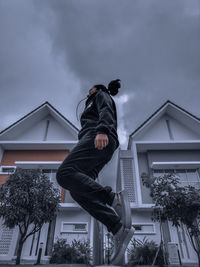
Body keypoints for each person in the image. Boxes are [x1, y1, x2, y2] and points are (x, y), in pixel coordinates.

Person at [56, 79, 134, 264]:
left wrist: (102, 130)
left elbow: (106, 109)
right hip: (98, 141)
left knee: (64, 173)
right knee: (77, 191)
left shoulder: (100, 95)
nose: (87, 92)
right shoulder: (95, 98)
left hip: (98, 137)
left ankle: (113, 199)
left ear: (96, 89)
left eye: (89, 89)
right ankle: (117, 228)